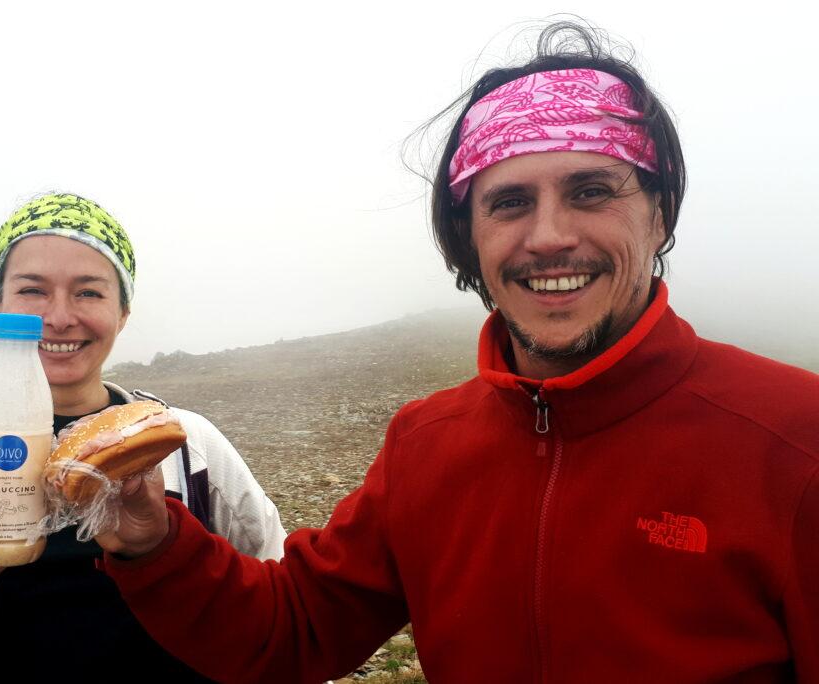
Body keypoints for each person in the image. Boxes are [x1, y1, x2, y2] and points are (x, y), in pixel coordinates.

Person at [90, 23, 819, 683]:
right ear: (467, 235)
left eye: (592, 190)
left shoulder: (795, 439)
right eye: (508, 202)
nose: (548, 237)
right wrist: (154, 544)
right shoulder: (427, 444)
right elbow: (293, 632)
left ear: (658, 216)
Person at [0, 193, 287, 682]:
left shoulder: (183, 444)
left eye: (89, 292)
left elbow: (277, 608)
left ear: (123, 312)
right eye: (32, 289)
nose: (60, 316)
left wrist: (156, 548)